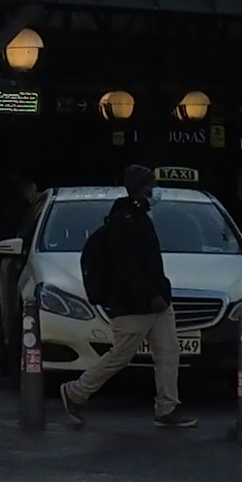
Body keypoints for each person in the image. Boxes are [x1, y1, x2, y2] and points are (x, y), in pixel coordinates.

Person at [61, 172, 186, 430]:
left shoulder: (138, 218)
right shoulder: (124, 221)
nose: (156, 190)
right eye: (152, 186)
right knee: (120, 355)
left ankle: (167, 408)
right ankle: (75, 392)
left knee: (168, 351)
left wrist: (159, 295)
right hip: (134, 304)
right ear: (142, 189)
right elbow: (127, 267)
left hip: (156, 301)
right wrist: (151, 296)